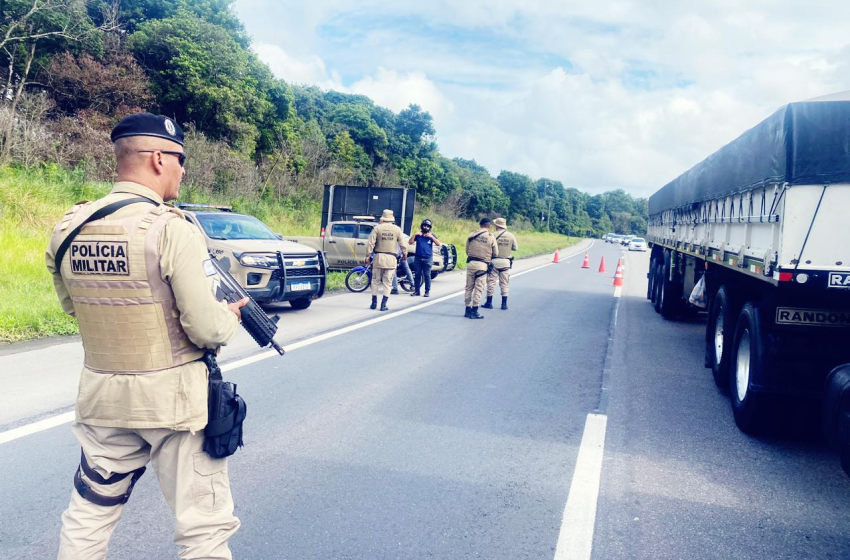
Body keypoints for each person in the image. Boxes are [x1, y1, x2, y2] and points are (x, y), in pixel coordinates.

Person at [46, 113, 247, 560]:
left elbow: (72, 307)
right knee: (204, 530)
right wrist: (229, 317)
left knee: (90, 512)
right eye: (180, 159)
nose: (182, 169)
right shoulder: (171, 228)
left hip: (103, 397)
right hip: (172, 401)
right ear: (158, 158)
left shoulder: (69, 226)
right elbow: (206, 327)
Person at [366, 209, 407, 311]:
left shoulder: (377, 228)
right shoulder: (397, 229)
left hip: (378, 257)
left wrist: (367, 256)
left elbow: (370, 243)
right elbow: (403, 244)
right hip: (391, 258)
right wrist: (405, 254)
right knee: (387, 282)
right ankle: (383, 305)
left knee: (375, 281)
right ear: (392, 218)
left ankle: (374, 302)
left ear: (383, 218)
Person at [464, 217, 497, 319]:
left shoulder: (472, 234)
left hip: (471, 264)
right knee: (479, 289)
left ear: (480, 225)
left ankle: (467, 310)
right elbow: (496, 253)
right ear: (489, 226)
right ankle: (475, 311)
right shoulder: (491, 237)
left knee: (469, 287)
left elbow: (467, 250)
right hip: (482, 266)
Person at [482, 217, 518, 310]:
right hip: (506, 263)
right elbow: (515, 248)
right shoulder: (511, 235)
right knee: (504, 283)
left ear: (497, 225)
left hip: (494, 262)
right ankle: (504, 304)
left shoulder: (492, 235)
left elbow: (487, 246)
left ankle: (489, 303)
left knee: (491, 282)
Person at [409, 218, 441, 297]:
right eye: (424, 226)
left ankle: (427, 291)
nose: (426, 227)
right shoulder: (418, 235)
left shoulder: (432, 235)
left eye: (427, 226)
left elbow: (438, 243)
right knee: (417, 275)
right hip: (418, 257)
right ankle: (417, 291)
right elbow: (410, 242)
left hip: (428, 258)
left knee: (427, 275)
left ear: (430, 227)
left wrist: (431, 237)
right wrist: (415, 235)